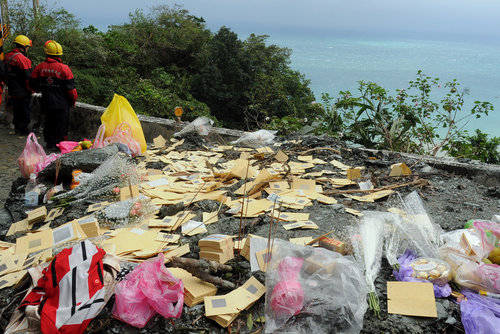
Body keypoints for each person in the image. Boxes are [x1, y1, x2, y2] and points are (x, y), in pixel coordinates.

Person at [29, 40, 77, 149]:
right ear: (60, 54)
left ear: (46, 53)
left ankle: (49, 143)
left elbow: (31, 83)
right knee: (61, 125)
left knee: (48, 123)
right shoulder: (65, 69)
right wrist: (73, 101)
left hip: (46, 102)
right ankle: (58, 145)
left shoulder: (40, 67)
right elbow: (71, 90)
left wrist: (40, 89)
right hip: (62, 104)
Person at [4, 34, 33, 135]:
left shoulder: (8, 56)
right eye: (27, 47)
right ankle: (23, 129)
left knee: (16, 109)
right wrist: (31, 90)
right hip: (23, 90)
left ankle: (17, 127)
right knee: (25, 110)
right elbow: (28, 78)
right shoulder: (24, 60)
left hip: (12, 88)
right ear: (24, 47)